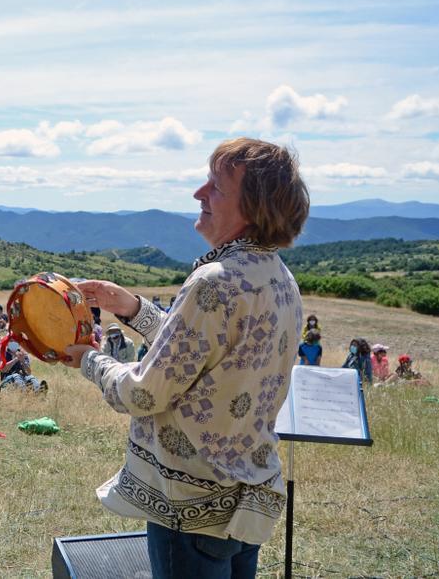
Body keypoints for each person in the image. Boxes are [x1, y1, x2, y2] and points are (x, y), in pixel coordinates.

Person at [67, 137, 309, 577]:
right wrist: (133, 309)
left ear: (253, 207)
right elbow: (204, 357)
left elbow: (144, 393)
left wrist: (88, 358)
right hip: (245, 499)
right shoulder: (278, 277)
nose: (199, 193)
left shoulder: (214, 281)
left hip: (190, 507)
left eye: (216, 186)